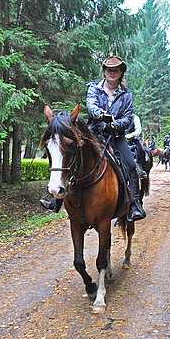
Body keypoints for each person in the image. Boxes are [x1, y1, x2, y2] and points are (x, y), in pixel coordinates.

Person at [42, 55, 145, 221]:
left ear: (120, 73)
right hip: (93, 133)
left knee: (131, 165)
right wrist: (101, 115)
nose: (112, 73)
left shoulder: (126, 94)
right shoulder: (94, 88)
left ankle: (134, 205)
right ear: (104, 71)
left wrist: (113, 125)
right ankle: (56, 200)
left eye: (116, 70)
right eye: (109, 70)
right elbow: (91, 106)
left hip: (116, 136)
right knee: (70, 154)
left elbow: (127, 118)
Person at [125, 114, 147, 179]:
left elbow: (138, 130)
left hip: (132, 140)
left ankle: (142, 169)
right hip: (120, 139)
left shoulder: (135, 117)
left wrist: (131, 135)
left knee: (141, 151)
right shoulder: (117, 115)